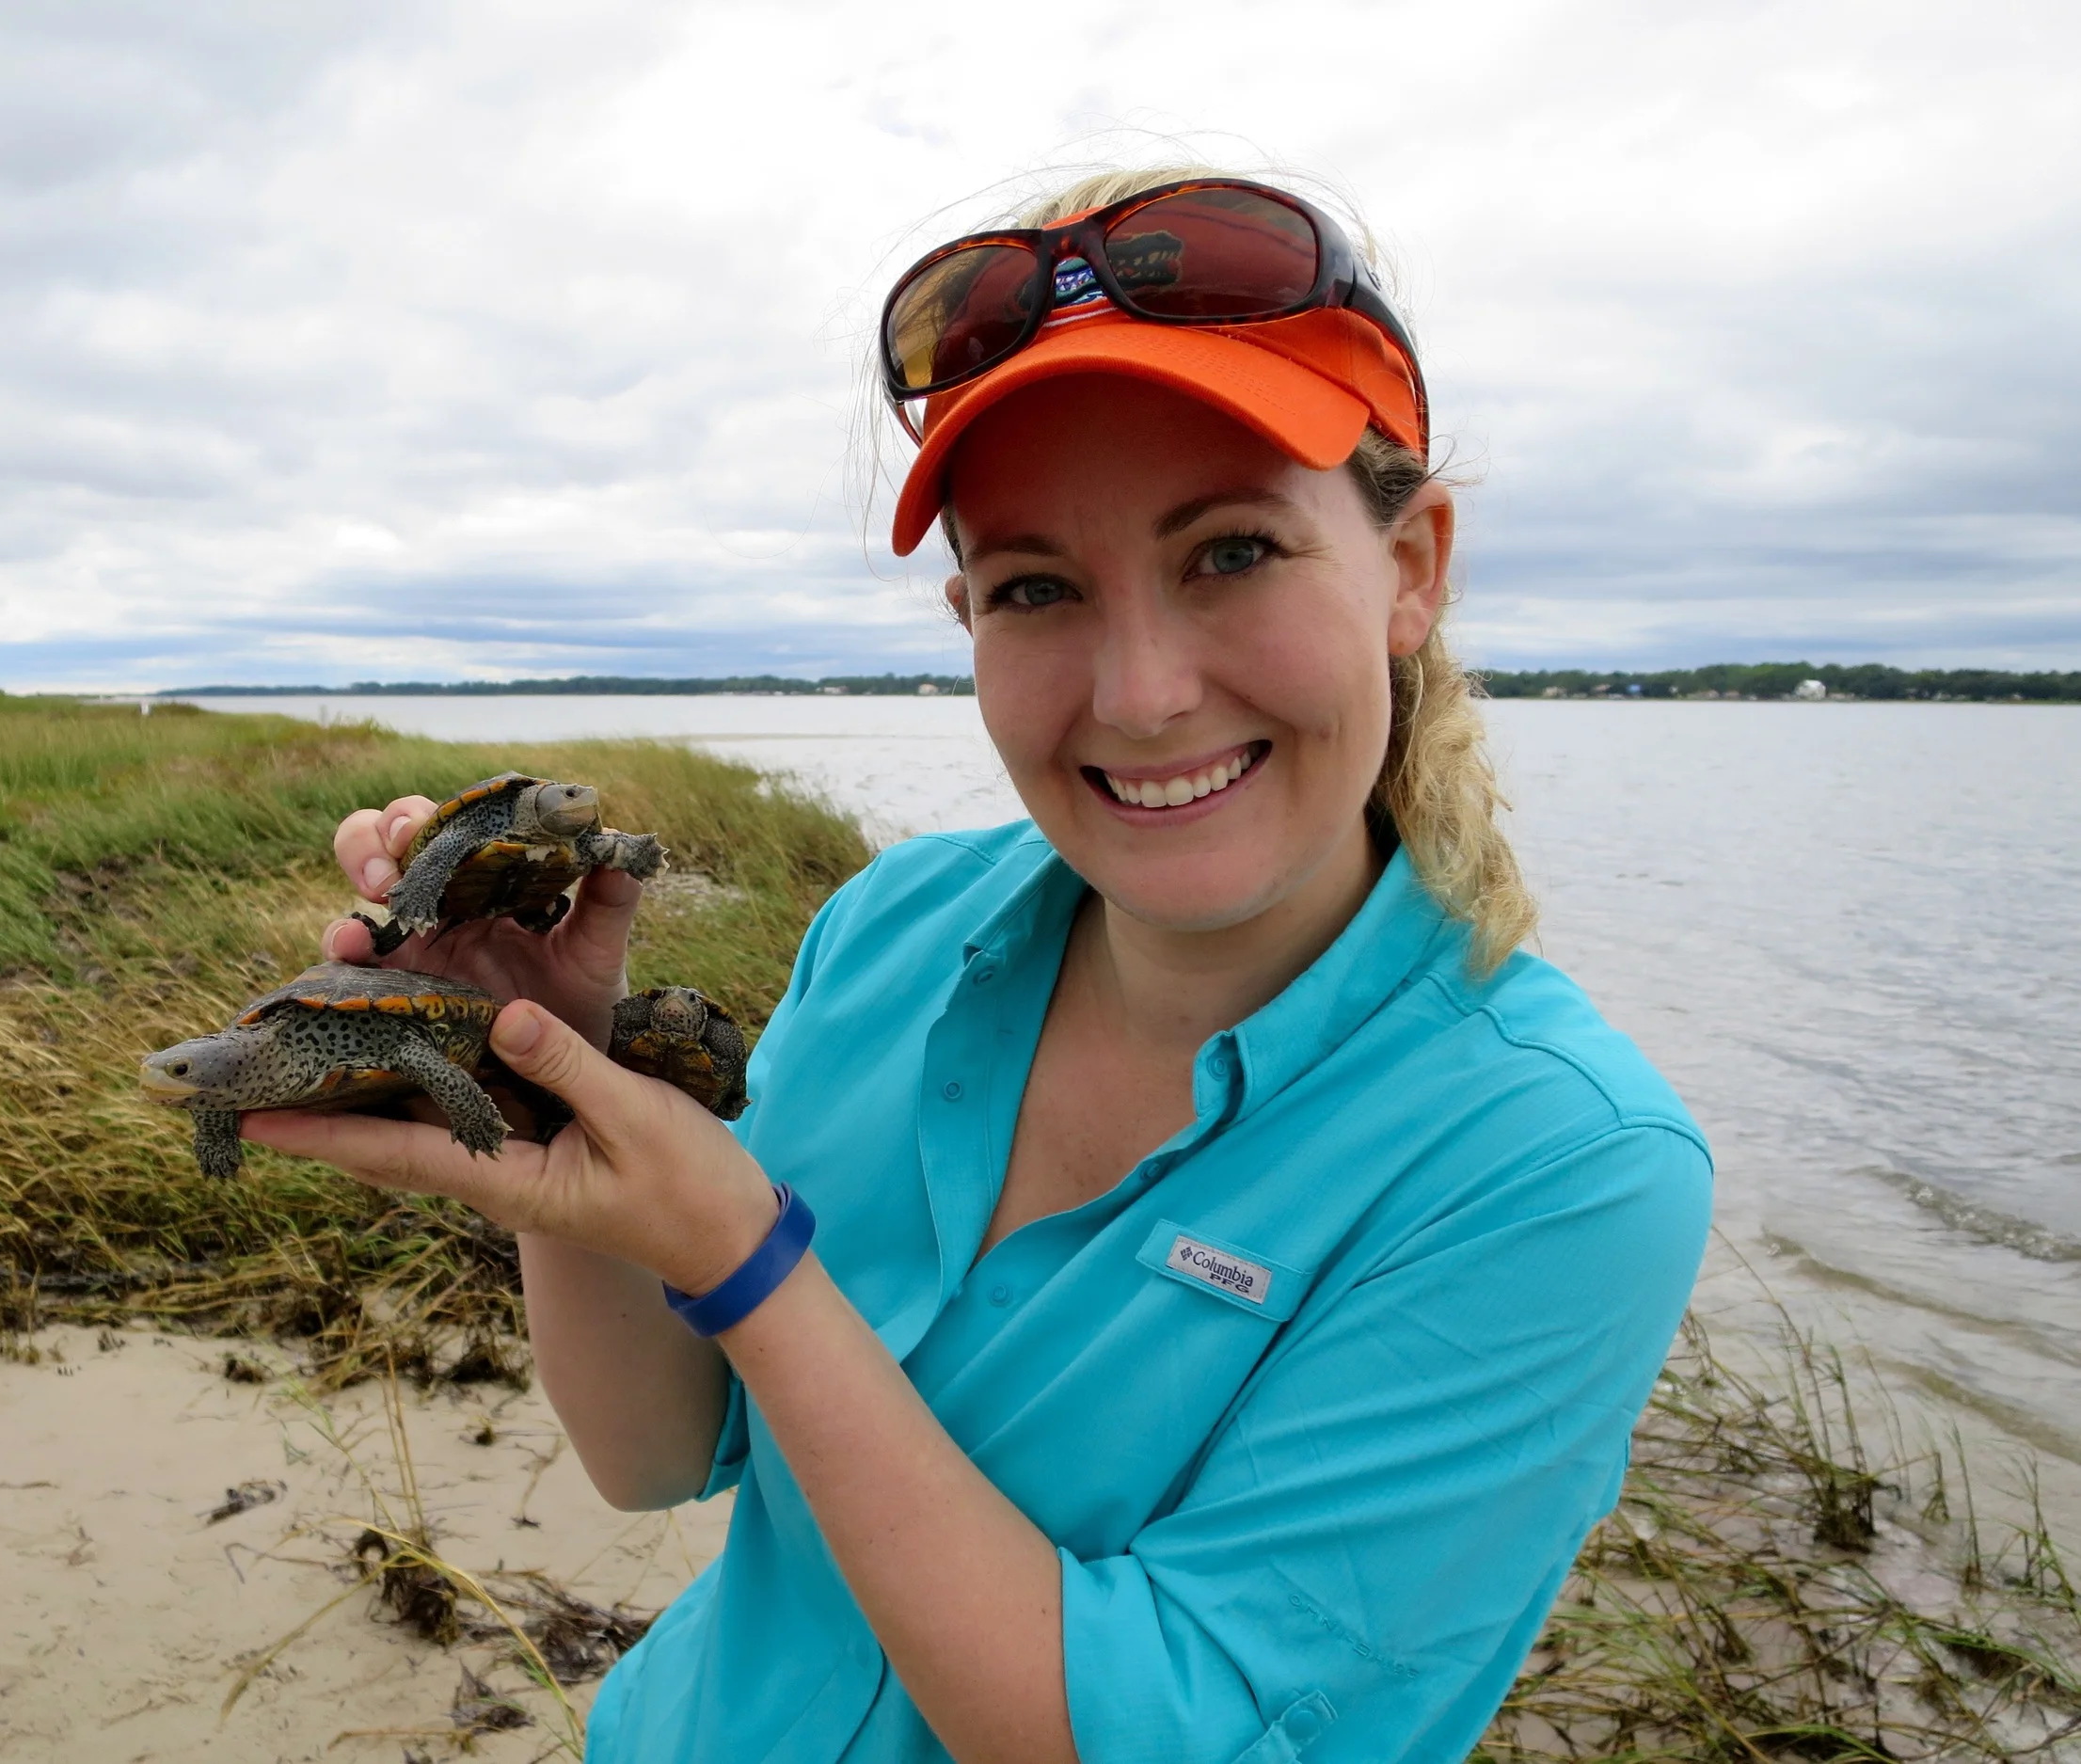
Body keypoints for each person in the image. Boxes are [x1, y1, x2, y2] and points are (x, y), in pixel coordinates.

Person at [247, 168, 1712, 1764]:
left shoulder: (1557, 1163)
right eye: (1035, 587)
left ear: (1413, 567)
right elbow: (662, 1449)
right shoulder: (895, 929)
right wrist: (546, 1082)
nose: (1143, 693)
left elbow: (1149, 1735)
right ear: (966, 616)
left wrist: (748, 1258)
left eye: (1231, 551)